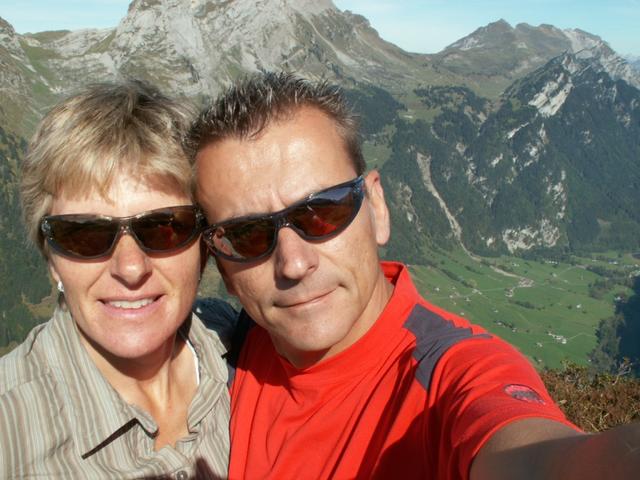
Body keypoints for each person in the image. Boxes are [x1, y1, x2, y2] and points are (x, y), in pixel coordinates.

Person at [189, 72, 640, 480]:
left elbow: (539, 458)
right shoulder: (218, 352)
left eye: (323, 211)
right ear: (219, 264)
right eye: (246, 236)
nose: (293, 263)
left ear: (377, 208)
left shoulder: (450, 377)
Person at [0, 80, 231, 478]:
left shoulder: (238, 344)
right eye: (86, 234)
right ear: (51, 259)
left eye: (164, 227)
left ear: (203, 245)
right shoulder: (10, 433)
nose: (130, 268)